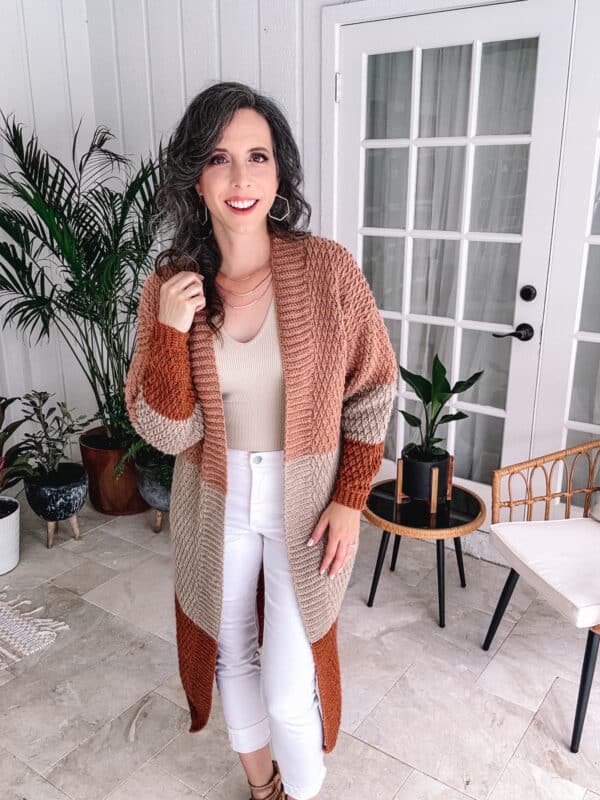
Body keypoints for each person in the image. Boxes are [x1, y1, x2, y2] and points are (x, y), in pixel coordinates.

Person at [125, 81, 398, 800]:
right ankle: (265, 787)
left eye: (257, 156)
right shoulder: (169, 285)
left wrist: (349, 500)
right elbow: (166, 430)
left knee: (288, 681)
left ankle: (304, 790)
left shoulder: (329, 269)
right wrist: (168, 334)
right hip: (216, 498)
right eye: (219, 159)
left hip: (308, 504)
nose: (240, 178)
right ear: (196, 178)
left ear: (280, 174)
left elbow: (373, 390)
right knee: (231, 659)